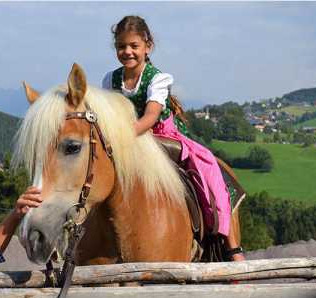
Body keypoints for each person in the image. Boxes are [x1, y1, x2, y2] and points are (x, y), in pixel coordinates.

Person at [102, 15, 244, 261]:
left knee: (209, 169)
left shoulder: (157, 79)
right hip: (124, 141)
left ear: (148, 46)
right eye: (121, 46)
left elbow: (150, 117)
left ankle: (231, 246)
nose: (127, 52)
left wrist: (121, 138)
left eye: (133, 46)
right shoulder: (110, 79)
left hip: (158, 135)